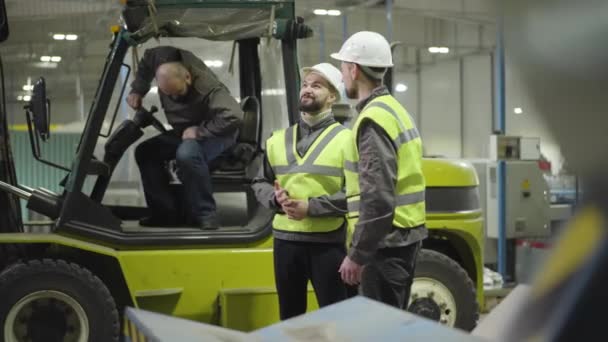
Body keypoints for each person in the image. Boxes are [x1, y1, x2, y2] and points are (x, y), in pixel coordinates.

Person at [331, 31, 428, 309]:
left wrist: (357, 254)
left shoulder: (373, 119)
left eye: (343, 68)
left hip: (385, 246)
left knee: (380, 329)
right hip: (401, 237)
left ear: (354, 68)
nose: (342, 77)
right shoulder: (394, 109)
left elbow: (378, 197)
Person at [251, 63, 354, 320]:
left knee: (336, 319)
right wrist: (274, 198)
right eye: (305, 84)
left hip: (328, 245)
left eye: (316, 86)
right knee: (290, 317)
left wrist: (311, 207)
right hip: (285, 243)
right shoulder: (277, 139)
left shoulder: (348, 140)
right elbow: (259, 182)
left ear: (332, 96)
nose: (307, 90)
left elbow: (356, 193)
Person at [127, 46, 243, 230]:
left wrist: (201, 131)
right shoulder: (162, 58)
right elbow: (148, 58)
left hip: (218, 131)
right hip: (184, 130)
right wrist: (137, 90)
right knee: (145, 151)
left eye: (177, 93)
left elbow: (234, 115)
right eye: (168, 94)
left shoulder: (208, 88)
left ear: (187, 77)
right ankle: (165, 213)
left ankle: (206, 215)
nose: (173, 97)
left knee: (187, 155)